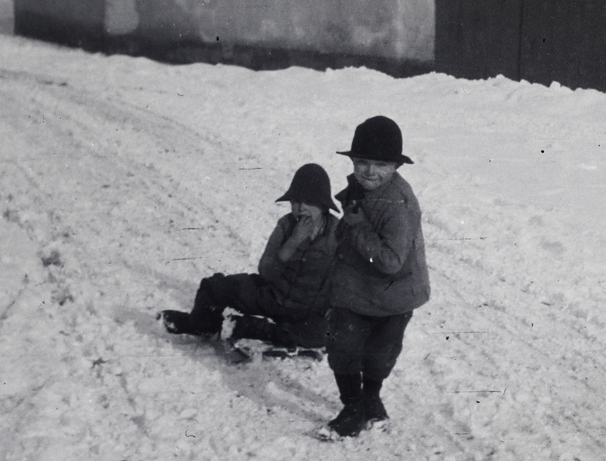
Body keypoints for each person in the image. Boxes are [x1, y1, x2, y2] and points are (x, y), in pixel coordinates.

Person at [159, 163, 339, 362]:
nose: (301, 208)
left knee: (327, 333)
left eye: (309, 202)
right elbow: (266, 271)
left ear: (323, 205)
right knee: (215, 287)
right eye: (296, 201)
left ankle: (247, 328)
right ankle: (201, 325)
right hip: (273, 298)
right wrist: (292, 243)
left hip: (306, 311)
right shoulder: (286, 225)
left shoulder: (338, 234)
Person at [321, 116, 429, 439]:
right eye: (362, 162)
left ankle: (371, 398)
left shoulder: (398, 203)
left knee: (381, 354)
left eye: (380, 164)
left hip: (395, 294)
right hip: (357, 290)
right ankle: (353, 407)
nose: (370, 171)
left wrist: (357, 228)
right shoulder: (365, 187)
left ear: (396, 166)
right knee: (342, 343)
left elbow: (391, 261)